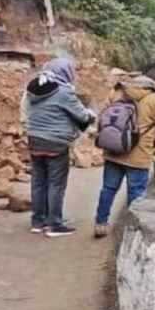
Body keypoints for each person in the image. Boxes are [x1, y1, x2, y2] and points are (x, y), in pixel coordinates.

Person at [93, 76, 155, 238]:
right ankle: (132, 229)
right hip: (139, 155)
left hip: (113, 151)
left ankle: (100, 223)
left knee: (108, 189)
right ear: (151, 86)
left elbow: (103, 117)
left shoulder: (118, 94)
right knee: (136, 193)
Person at [22, 58, 96, 238]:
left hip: (34, 140)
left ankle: (38, 221)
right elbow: (81, 114)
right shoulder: (63, 92)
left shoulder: (34, 87)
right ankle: (54, 224)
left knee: (38, 182)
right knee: (56, 183)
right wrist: (91, 115)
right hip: (56, 142)